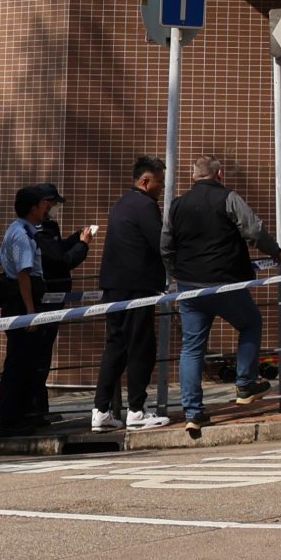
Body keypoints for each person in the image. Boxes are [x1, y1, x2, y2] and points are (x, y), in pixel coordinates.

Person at [168, 152, 281, 430]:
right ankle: (245, 385)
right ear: (219, 175)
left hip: (190, 289)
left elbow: (165, 246)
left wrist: (177, 274)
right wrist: (275, 251)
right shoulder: (228, 198)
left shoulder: (176, 206)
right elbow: (253, 230)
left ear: (193, 177)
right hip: (226, 282)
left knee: (192, 348)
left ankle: (193, 412)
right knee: (251, 322)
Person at [0, 182, 79, 436]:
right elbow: (23, 275)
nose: (47, 209)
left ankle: (21, 416)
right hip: (22, 303)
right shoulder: (21, 234)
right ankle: (10, 421)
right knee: (19, 363)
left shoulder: (21, 230)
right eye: (43, 205)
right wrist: (31, 312)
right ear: (33, 208)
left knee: (26, 362)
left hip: (23, 300)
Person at [91, 154, 167, 432]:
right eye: (159, 183)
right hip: (137, 287)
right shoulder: (145, 205)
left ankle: (101, 411)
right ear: (145, 181)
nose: (162, 189)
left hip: (114, 285)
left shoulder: (121, 203)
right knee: (141, 348)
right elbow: (160, 241)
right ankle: (136, 410)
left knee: (116, 347)